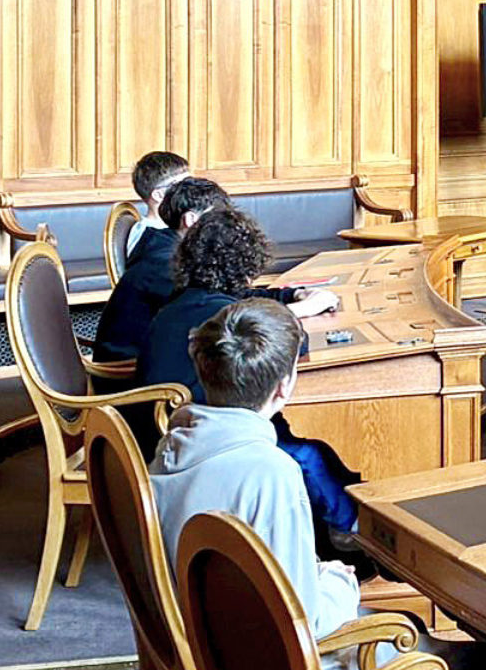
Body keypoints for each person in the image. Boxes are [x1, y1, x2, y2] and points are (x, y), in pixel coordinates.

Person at [147, 298, 362, 670]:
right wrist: (339, 583)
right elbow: (304, 624)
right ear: (284, 386)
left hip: (204, 654)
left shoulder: (172, 444)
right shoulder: (271, 472)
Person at [136, 207, 357, 550]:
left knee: (315, 449)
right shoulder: (222, 317)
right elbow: (281, 347)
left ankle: (347, 514)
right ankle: (352, 529)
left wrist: (292, 296)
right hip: (213, 427)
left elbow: (252, 300)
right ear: (246, 262)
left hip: (187, 423)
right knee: (308, 453)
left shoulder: (186, 301)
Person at [93, 177, 230, 365]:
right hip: (126, 373)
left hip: (150, 357)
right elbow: (214, 306)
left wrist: (280, 296)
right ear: (191, 219)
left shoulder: (169, 245)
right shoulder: (164, 262)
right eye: (218, 217)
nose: (224, 226)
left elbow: (217, 297)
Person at [126, 150, 189, 255]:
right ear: (159, 195)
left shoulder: (175, 227)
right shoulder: (151, 242)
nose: (192, 190)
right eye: (183, 186)